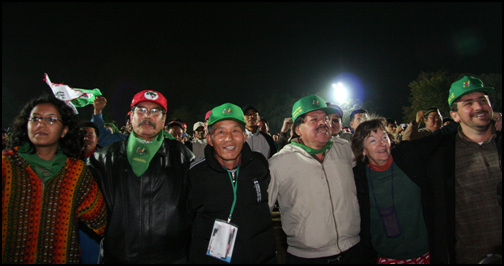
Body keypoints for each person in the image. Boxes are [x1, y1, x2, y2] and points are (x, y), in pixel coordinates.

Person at [391, 76, 501, 263]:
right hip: (469, 256)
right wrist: (448, 129)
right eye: (468, 103)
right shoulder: (443, 156)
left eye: (483, 100)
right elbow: (403, 153)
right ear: (455, 115)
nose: (478, 107)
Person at [87, 90, 195, 263]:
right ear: (131, 116)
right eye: (141, 110)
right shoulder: (105, 158)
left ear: (163, 119)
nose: (147, 116)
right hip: (119, 257)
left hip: (171, 258)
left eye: (155, 111)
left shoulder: (182, 156)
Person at [2, 94, 107, 264]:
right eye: (35, 118)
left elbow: (99, 219)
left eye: (51, 119)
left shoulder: (76, 171)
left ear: (64, 130)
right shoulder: (6, 166)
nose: (41, 124)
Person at [268, 94, 370, 263]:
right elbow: (260, 210)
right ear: (298, 129)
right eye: (314, 119)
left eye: (325, 119)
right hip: (307, 257)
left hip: (352, 251)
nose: (323, 123)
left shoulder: (344, 149)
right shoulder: (279, 163)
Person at [187, 103, 277, 263]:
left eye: (235, 130)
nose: (229, 138)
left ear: (244, 136)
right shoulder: (195, 174)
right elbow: (187, 221)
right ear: (210, 139)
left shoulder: (259, 164)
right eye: (221, 131)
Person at [352, 118, 430, 264]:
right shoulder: (358, 179)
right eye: (373, 140)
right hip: (387, 256)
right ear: (362, 149)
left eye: (384, 138)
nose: (381, 144)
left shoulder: (409, 163)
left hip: (426, 252)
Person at [78, 121, 103, 264]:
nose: (85, 138)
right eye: (81, 134)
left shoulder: (107, 161)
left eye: (89, 134)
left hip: (95, 229)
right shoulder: (65, 161)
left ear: (97, 139)